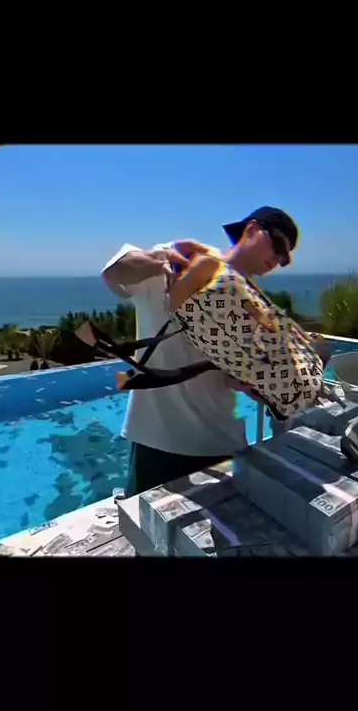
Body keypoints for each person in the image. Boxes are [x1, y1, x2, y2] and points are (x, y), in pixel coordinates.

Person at [101, 206, 299, 498]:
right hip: (159, 437)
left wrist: (253, 383)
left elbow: (229, 373)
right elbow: (113, 272)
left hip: (220, 440)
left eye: (286, 258)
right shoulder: (176, 261)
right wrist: (161, 258)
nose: (279, 259)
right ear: (252, 229)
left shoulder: (252, 304)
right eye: (278, 245)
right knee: (143, 522)